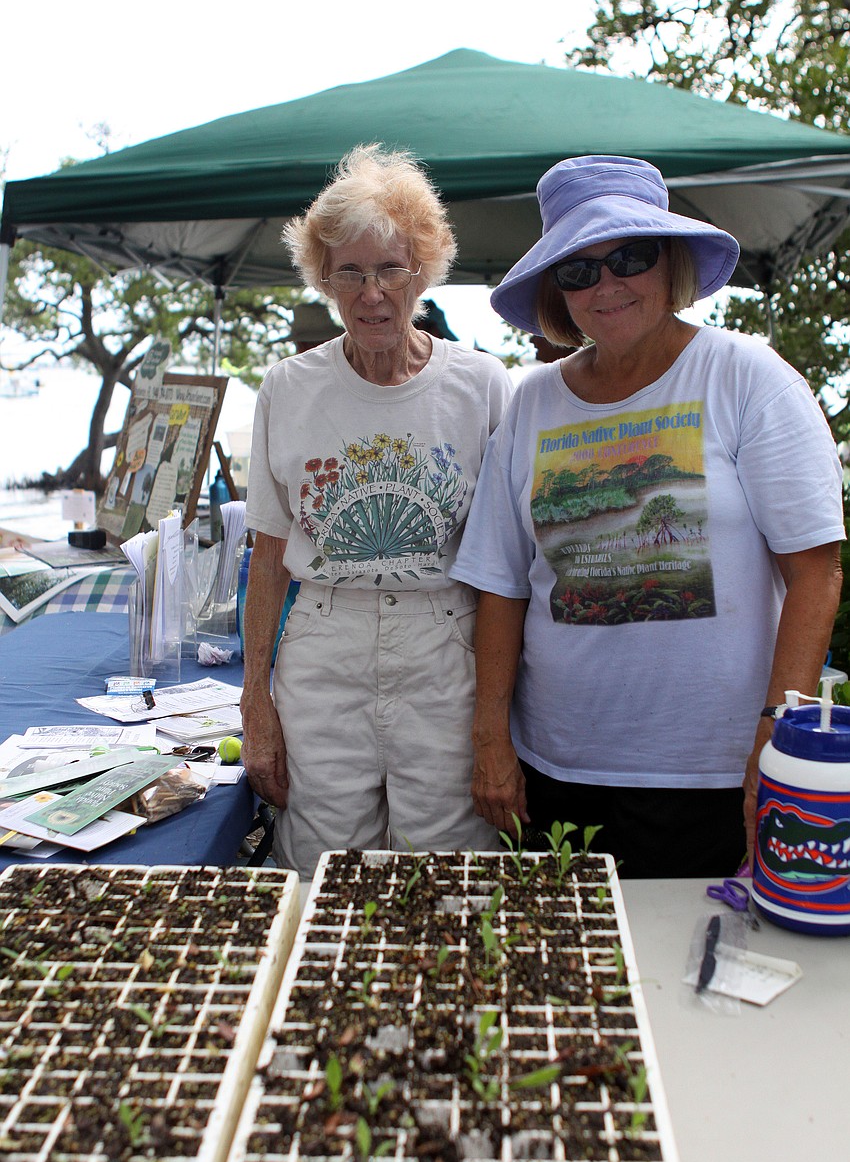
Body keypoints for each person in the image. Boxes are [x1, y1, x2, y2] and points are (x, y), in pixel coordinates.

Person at [451, 154, 845, 878]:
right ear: (556, 290)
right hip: (557, 769)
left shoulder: (747, 379)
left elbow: (815, 571)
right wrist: (490, 739)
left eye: (629, 256)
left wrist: (775, 737)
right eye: (579, 269)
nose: (607, 284)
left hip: (719, 776)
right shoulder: (532, 403)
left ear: (671, 264)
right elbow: (501, 584)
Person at [240, 143, 513, 879]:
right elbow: (266, 556)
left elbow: (507, 565)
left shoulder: (483, 386)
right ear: (321, 278)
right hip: (325, 639)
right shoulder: (287, 389)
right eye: (350, 271)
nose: (372, 292)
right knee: (322, 863)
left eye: (391, 268)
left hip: (445, 641)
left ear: (423, 270)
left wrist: (500, 716)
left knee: (450, 866)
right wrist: (254, 705)